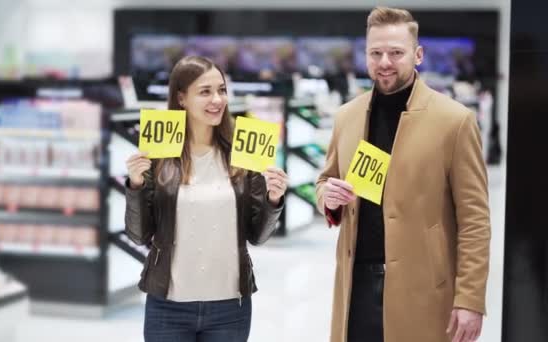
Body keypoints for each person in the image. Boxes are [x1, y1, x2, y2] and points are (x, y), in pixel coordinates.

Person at [315, 7, 491, 342]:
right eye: (376, 53)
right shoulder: (347, 117)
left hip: (423, 291)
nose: (385, 62)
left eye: (396, 53)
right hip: (356, 287)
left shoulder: (454, 121)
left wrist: (469, 299)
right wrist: (328, 196)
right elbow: (325, 180)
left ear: (418, 54)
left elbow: (474, 219)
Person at [124, 55, 288, 342]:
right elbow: (139, 235)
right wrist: (136, 185)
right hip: (168, 304)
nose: (217, 100)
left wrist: (273, 200)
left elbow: (257, 236)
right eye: (205, 92)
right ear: (181, 97)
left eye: (222, 90)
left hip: (230, 306)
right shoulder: (160, 154)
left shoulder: (242, 152)